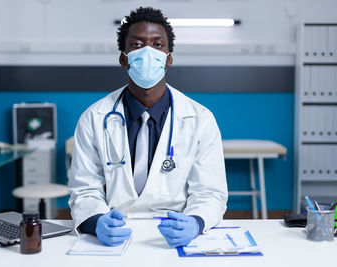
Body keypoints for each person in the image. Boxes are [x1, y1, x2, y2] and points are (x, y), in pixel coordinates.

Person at [68, 7, 228, 248]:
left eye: (157, 44)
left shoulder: (199, 118)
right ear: (123, 59)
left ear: (168, 59)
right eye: (136, 45)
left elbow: (210, 192)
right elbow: (84, 190)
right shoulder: (93, 118)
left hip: (172, 234)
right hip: (114, 234)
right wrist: (97, 221)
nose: (147, 52)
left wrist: (195, 223)